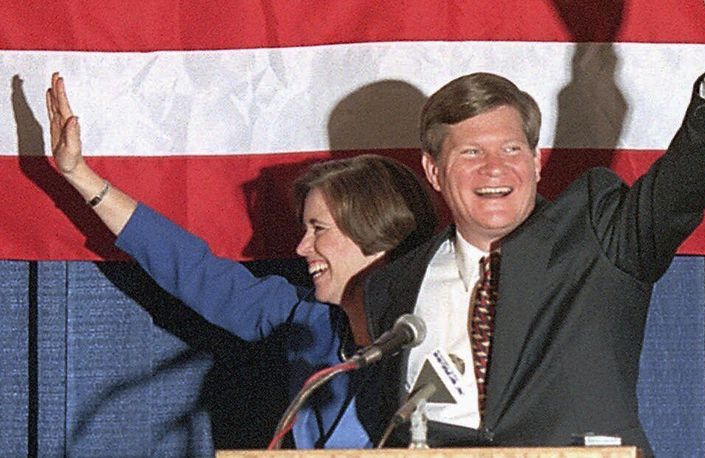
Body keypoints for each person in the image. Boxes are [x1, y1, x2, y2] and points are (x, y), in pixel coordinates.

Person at [356, 1, 705, 455]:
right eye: (471, 153)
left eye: (512, 149)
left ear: (535, 163)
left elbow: (689, 178)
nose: (494, 169)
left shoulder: (598, 233)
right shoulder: (392, 288)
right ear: (433, 172)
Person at [45, 73, 437, 448]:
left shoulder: (440, 329)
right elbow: (191, 268)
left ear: (373, 233)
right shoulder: (308, 318)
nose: (301, 249)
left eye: (319, 229)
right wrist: (80, 175)